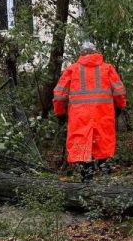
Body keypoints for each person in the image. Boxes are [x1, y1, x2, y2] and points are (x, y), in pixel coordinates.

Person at [53, 41, 127, 180]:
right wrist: (120, 107)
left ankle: (87, 184)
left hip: (79, 117)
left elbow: (59, 94)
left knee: (82, 149)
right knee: (103, 146)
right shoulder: (108, 68)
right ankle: (107, 184)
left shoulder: (72, 70)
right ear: (95, 52)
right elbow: (119, 92)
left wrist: (60, 113)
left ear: (81, 53)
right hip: (103, 115)